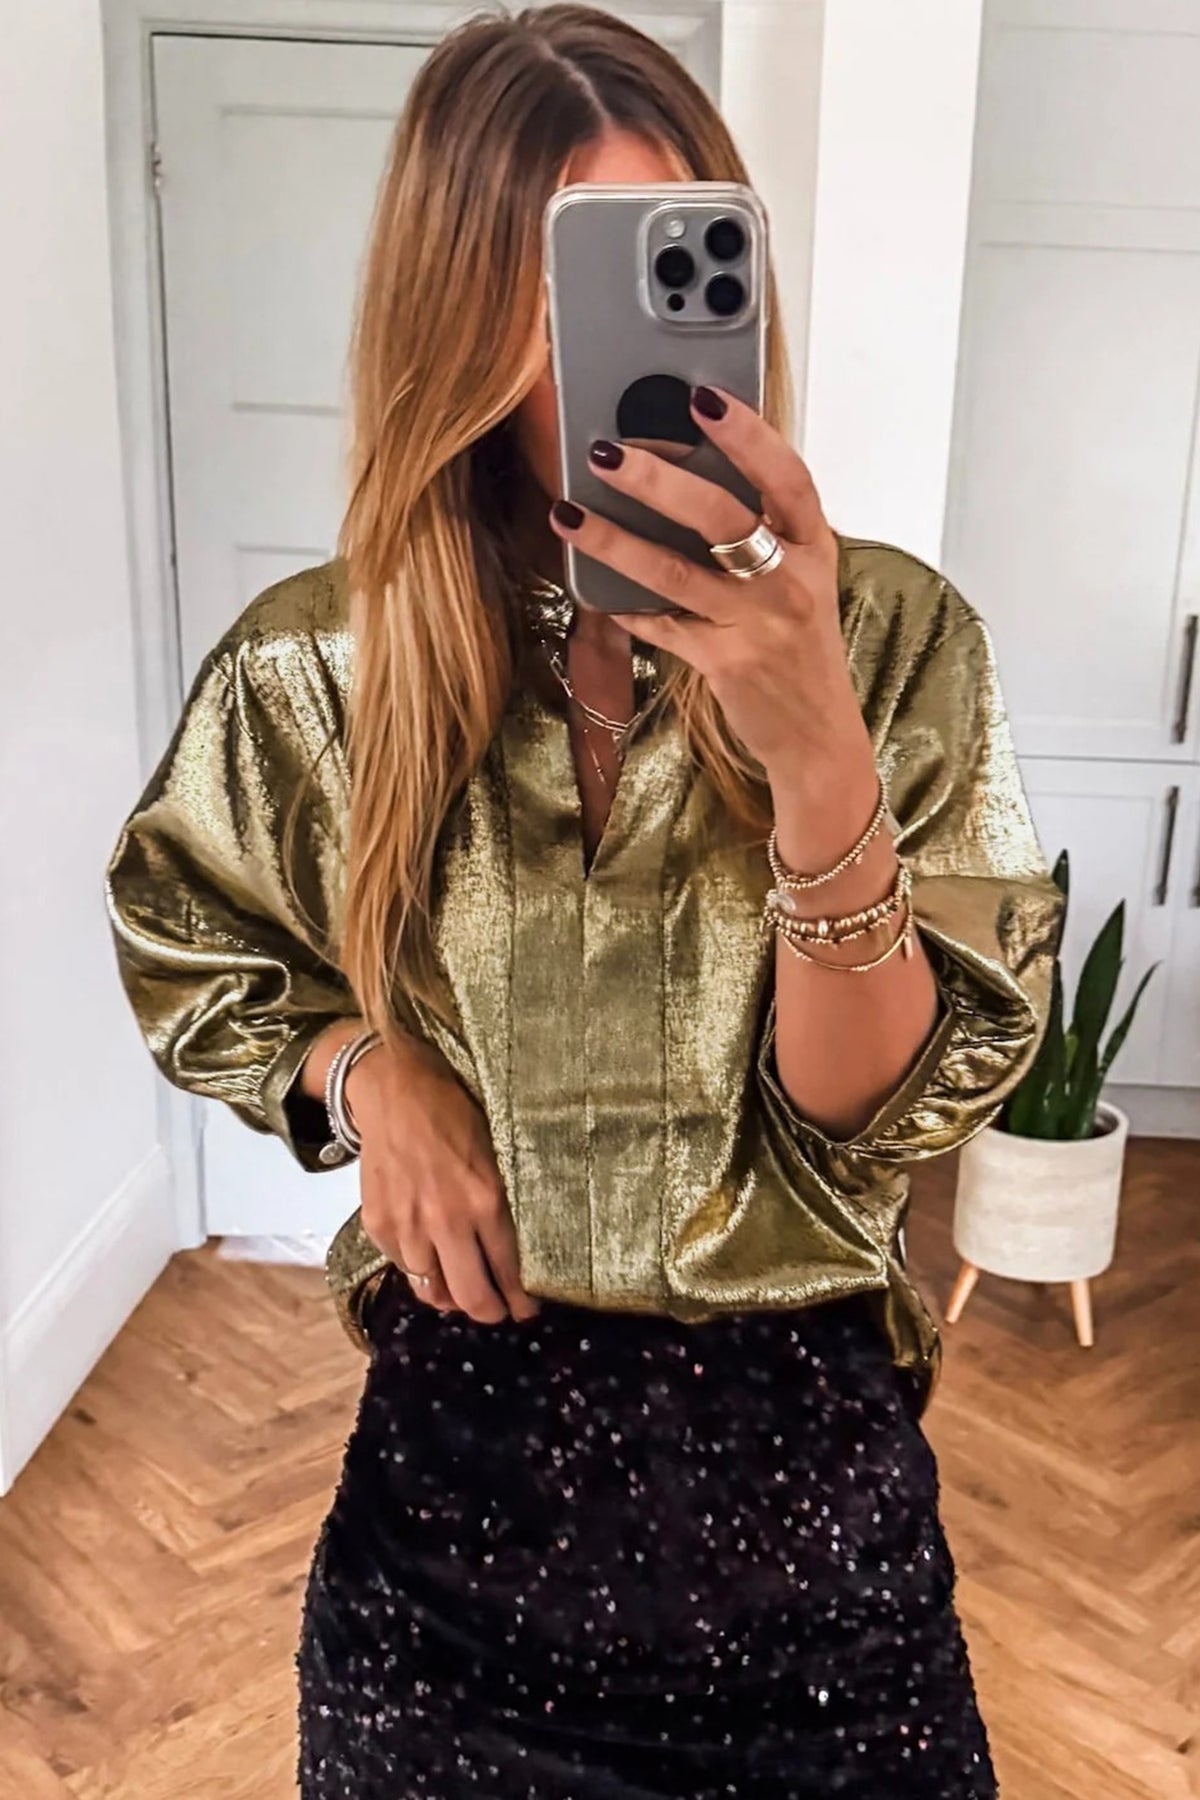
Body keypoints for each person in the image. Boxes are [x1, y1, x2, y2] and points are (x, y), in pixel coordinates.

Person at [103, 6, 1064, 1795]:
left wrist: (818, 757)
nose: (606, 361)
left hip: (818, 1534)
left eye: (665, 280)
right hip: (452, 1539)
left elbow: (874, 1114)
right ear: (454, 311)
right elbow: (193, 931)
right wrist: (362, 1069)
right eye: (556, 290)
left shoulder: (888, 637)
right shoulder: (323, 663)